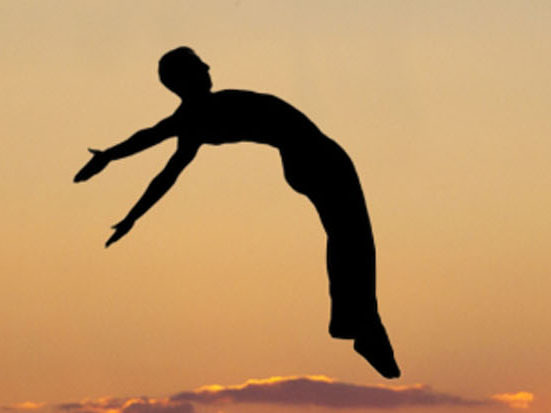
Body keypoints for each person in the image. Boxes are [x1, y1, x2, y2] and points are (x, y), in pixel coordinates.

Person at [74, 47, 399, 378]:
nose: (208, 66)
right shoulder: (195, 117)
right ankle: (363, 328)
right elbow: (157, 154)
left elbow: (159, 155)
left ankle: (358, 325)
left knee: (346, 238)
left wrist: (116, 176)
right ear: (184, 79)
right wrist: (120, 185)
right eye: (199, 65)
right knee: (353, 238)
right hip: (317, 158)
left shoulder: (191, 121)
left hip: (308, 159)